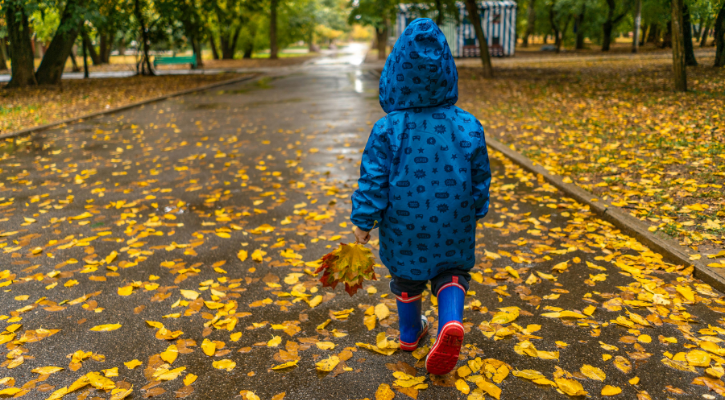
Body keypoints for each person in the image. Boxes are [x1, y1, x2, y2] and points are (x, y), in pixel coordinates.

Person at [350, 18, 492, 376]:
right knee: (453, 273)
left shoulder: (387, 129)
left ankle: (411, 333)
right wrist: (477, 207)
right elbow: (479, 175)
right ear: (447, 70)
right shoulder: (468, 124)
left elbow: (373, 178)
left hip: (404, 226)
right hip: (454, 220)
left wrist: (363, 220)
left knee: (407, 277)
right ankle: (449, 324)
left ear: (395, 71)